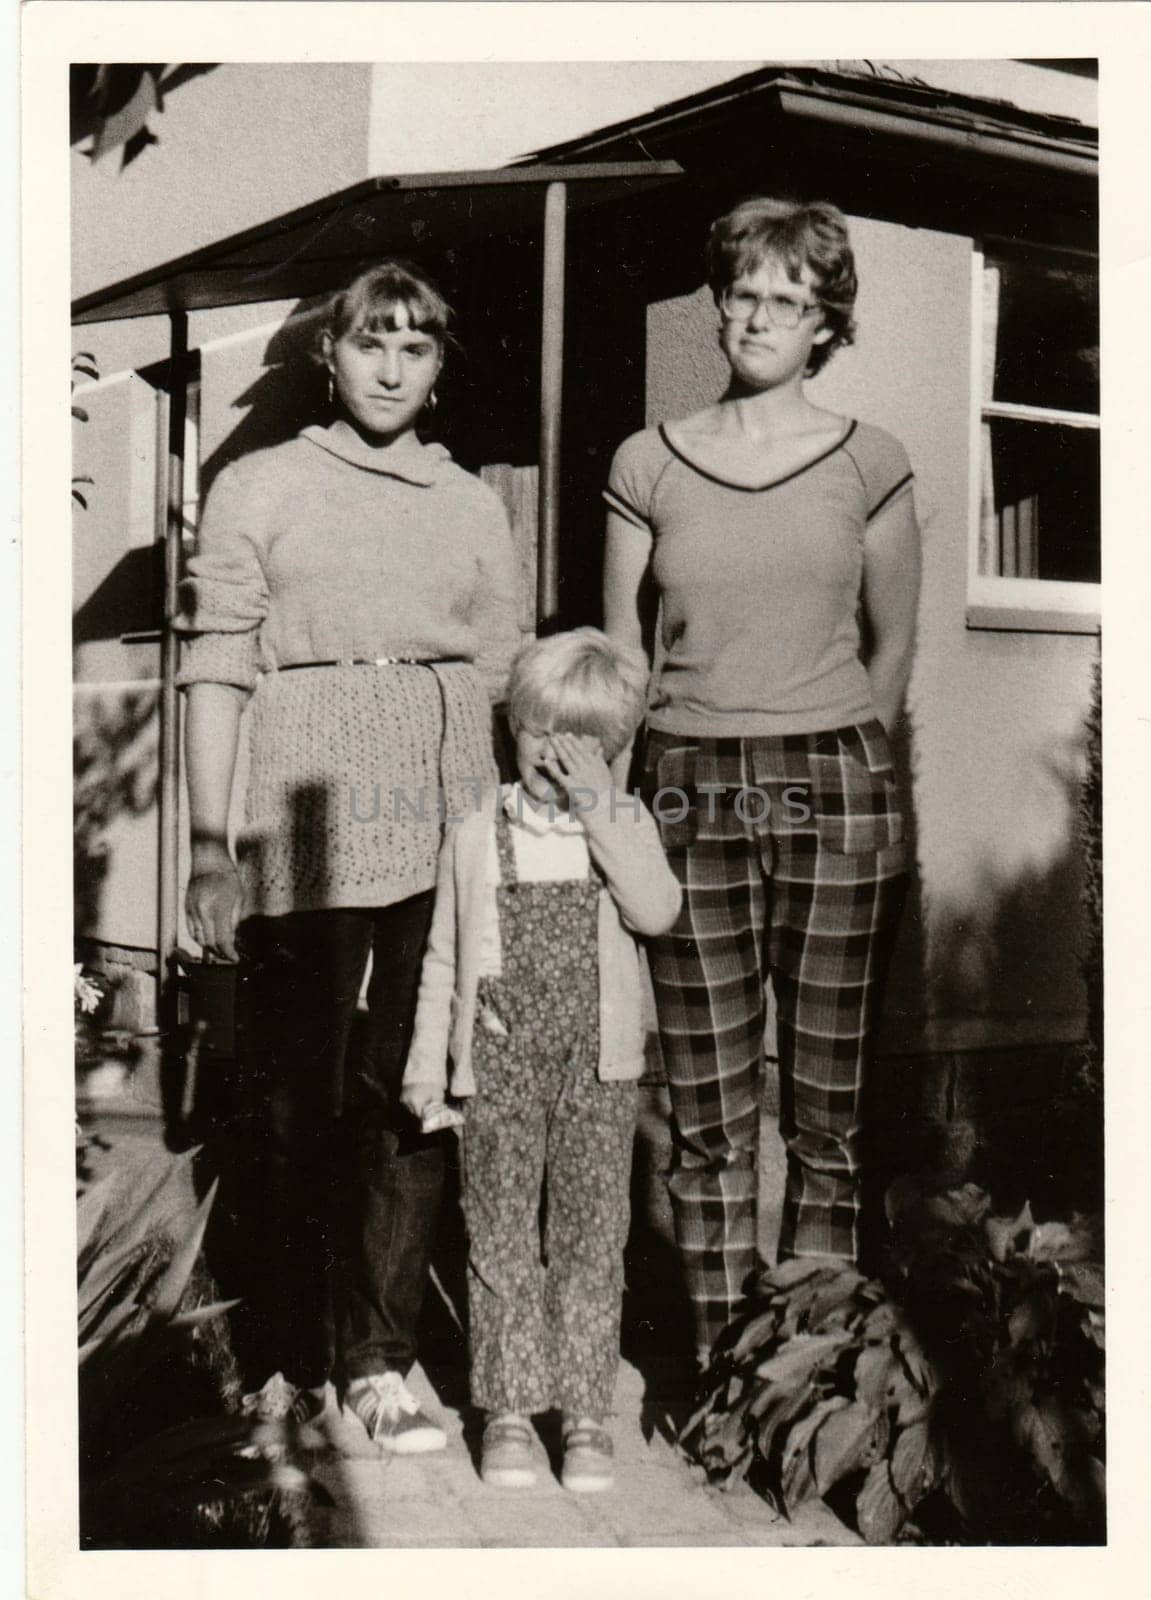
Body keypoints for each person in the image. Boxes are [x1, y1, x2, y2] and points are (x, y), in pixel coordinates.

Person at [176, 259, 521, 1452]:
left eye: (414, 346)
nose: (389, 365)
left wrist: (496, 846)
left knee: (412, 1091)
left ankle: (378, 1358)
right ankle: (278, 1353)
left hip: (441, 815)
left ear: (438, 366)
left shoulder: (472, 502)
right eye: (369, 342)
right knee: (288, 1098)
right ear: (330, 355)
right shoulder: (260, 484)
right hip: (298, 819)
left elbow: (495, 673)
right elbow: (219, 666)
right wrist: (213, 848)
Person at [602, 197, 921, 1369]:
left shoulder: (869, 460)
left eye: (786, 299)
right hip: (686, 781)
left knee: (826, 1111)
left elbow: (891, 645)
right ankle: (716, 1368)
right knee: (708, 1109)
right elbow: (621, 654)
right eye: (740, 293)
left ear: (824, 322)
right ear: (716, 301)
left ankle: (810, 1371)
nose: (756, 316)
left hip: (831, 779)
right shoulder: (648, 459)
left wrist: (848, 759)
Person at [401, 629, 681, 1492]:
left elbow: (657, 909)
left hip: (597, 1072)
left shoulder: (623, 824)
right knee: (500, 1239)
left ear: (614, 751)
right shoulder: (476, 833)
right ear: (510, 731)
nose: (552, 761)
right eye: (535, 736)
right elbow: (443, 958)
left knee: (593, 1240)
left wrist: (601, 810)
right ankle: (512, 1412)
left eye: (578, 747)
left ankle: (586, 1414)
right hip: (497, 1062)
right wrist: (424, 1064)